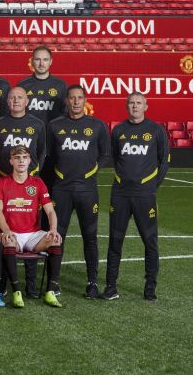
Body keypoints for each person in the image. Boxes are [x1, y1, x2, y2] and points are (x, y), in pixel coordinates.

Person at [103, 92, 169, 301]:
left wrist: (151, 186)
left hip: (144, 195)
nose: (135, 106)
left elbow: (164, 161)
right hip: (120, 194)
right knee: (115, 241)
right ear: (127, 106)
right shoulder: (118, 130)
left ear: (145, 107)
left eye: (139, 103)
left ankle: (150, 289)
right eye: (131, 103)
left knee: (150, 242)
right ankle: (111, 287)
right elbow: (115, 157)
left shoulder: (156, 130)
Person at [47, 85, 110, 298]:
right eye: (72, 98)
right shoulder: (55, 125)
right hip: (61, 190)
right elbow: (48, 155)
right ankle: (53, 282)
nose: (75, 102)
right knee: (57, 236)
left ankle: (92, 283)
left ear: (85, 100)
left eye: (79, 98)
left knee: (90, 237)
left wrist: (90, 172)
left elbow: (105, 155)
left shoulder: (98, 125)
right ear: (66, 101)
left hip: (87, 190)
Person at [0, 146, 63, 308]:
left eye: (24, 157)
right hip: (12, 233)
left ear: (30, 161)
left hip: (33, 235)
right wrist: (6, 230)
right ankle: (16, 292)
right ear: (11, 161)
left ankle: (50, 292)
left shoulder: (38, 182)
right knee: (8, 241)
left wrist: (53, 229)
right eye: (17, 158)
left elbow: (50, 211)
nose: (21, 161)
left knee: (55, 241)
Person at [0, 87, 47, 179]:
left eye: (20, 97)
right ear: (8, 101)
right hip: (3, 177)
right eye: (12, 97)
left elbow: (42, 152)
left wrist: (34, 172)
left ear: (27, 101)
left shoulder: (38, 124)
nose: (16, 100)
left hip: (30, 177)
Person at [18, 46, 67, 126]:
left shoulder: (61, 85)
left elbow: (66, 113)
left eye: (45, 59)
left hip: (53, 131)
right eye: (38, 59)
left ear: (51, 61)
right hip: (30, 131)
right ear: (32, 61)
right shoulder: (23, 85)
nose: (41, 64)